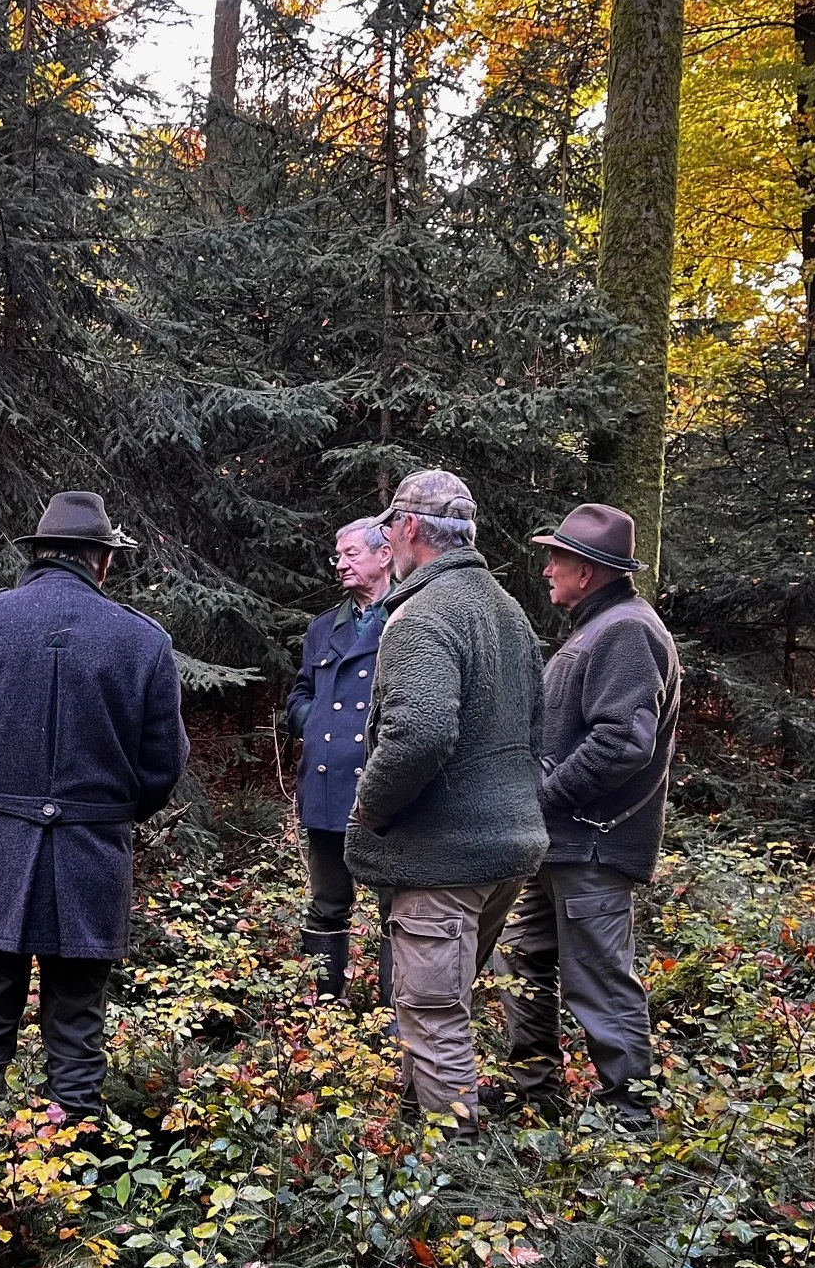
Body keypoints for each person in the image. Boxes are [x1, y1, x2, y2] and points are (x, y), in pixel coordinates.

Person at [0, 491, 189, 1121]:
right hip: (92, 852)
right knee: (78, 1019)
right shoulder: (141, 641)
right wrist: (111, 811)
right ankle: (75, 1163)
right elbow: (163, 762)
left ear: (37, 555)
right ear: (102, 561)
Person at [344, 469, 548, 1136]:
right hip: (506, 848)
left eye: (388, 530)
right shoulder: (507, 610)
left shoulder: (425, 612)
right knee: (436, 1001)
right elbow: (534, 727)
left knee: (433, 1013)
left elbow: (421, 734)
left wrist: (372, 807)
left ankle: (455, 1178)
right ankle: (415, 1134)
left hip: (444, 855)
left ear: (407, 530)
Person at [488, 503, 681, 1126]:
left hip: (594, 848)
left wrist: (544, 795)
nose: (547, 569)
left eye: (558, 557)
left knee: (598, 979)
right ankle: (534, 1088)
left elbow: (624, 741)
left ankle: (631, 1115)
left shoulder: (625, 630)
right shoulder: (600, 626)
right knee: (521, 955)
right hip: (565, 846)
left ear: (590, 570)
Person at [286, 515, 394, 1005]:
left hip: (388, 789)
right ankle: (325, 1007)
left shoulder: (409, 618)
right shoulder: (325, 626)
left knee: (400, 908)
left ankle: (399, 1016)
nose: (341, 564)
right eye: (338, 556)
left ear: (385, 555)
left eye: (351, 553)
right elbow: (301, 692)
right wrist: (310, 722)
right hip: (326, 787)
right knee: (328, 904)